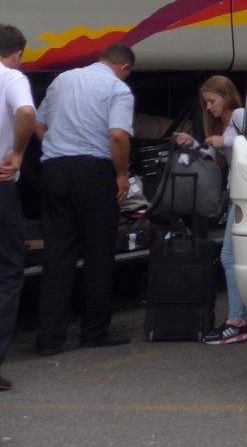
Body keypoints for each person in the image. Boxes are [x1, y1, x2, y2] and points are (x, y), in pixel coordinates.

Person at [34, 42, 135, 355]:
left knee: (57, 255)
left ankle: (50, 339)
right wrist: (121, 174)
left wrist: (56, 145)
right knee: (98, 254)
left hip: (54, 169)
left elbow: (39, 123)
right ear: (124, 68)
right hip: (94, 172)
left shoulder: (62, 80)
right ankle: (93, 331)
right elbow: (118, 135)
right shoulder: (118, 89)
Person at [174, 75, 247, 345]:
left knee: (229, 256)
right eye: (205, 103)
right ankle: (241, 317)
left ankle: (237, 321)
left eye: (211, 101)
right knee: (236, 257)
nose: (208, 107)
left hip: (245, 194)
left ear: (225, 95)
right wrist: (194, 145)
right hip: (239, 193)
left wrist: (225, 142)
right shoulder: (227, 124)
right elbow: (217, 155)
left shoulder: (241, 115)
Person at [0, 25, 36, 391]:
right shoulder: (10, 77)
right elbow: (25, 112)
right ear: (18, 54)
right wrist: (20, 153)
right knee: (8, 271)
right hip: (0, 185)